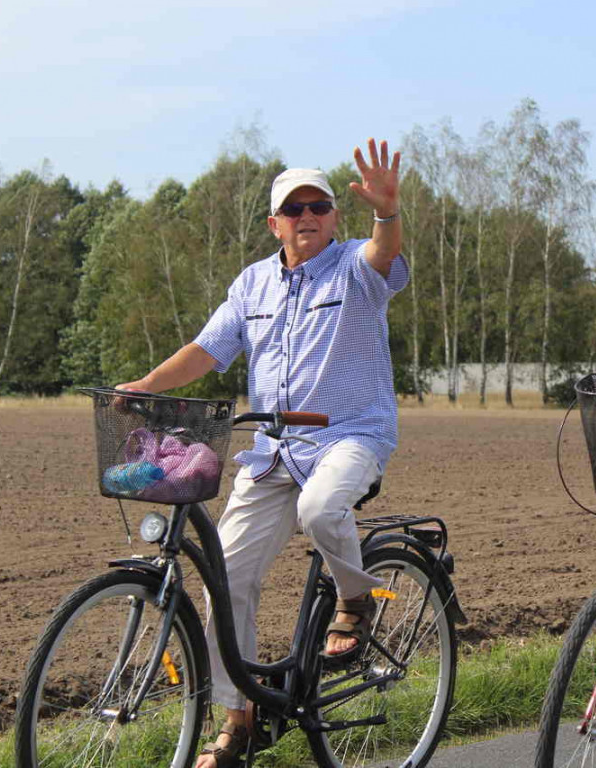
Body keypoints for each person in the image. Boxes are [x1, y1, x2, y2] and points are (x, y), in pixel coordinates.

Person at [117, 138, 408, 768]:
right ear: (274, 222)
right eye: (294, 208)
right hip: (273, 451)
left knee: (324, 509)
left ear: (335, 217)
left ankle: (354, 601)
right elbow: (207, 350)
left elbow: (386, 253)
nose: (308, 217)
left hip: (351, 435)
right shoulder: (252, 283)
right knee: (227, 582)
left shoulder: (357, 269)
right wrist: (145, 385)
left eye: (320, 207)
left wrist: (386, 213)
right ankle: (238, 722)